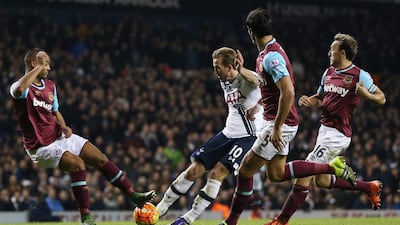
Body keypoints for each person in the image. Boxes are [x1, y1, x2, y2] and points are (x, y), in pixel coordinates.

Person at [219, 8, 357, 225]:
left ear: (250, 31)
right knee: (275, 174)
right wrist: (259, 106)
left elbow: (288, 91)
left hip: (279, 124)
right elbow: (271, 90)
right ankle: (333, 167)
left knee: (245, 170)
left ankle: (230, 222)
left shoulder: (272, 57)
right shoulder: (266, 53)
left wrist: (276, 128)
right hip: (275, 120)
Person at [9, 48, 156, 225]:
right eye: (46, 63)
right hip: (41, 147)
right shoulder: (21, 87)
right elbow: (18, 90)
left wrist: (63, 126)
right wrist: (36, 70)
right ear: (34, 64)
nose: (49, 67)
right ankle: (86, 217)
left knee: (100, 158)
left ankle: (134, 196)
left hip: (58, 136)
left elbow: (55, 111)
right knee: (78, 165)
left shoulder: (50, 86)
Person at [266, 33, 386, 225]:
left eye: (332, 49)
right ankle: (369, 187)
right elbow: (321, 98)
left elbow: (382, 98)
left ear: (342, 53)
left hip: (338, 134)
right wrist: (310, 100)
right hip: (324, 130)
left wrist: (367, 95)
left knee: (304, 174)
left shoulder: (359, 75)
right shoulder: (328, 72)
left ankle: (281, 221)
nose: (329, 52)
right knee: (321, 181)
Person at [156, 46, 264, 225]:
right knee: (195, 169)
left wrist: (242, 69)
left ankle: (188, 219)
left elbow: (256, 81)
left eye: (218, 67)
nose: (215, 72)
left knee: (217, 172)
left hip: (249, 136)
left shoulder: (246, 78)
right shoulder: (224, 80)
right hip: (228, 132)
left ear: (231, 67)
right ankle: (158, 210)